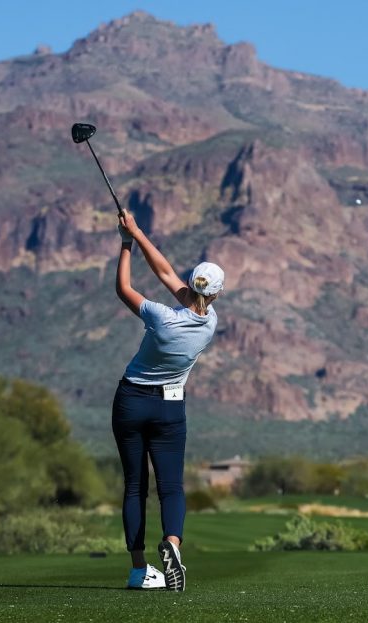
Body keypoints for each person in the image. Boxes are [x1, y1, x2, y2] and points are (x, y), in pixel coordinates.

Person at [112, 211, 223, 592]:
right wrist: (139, 233)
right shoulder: (209, 324)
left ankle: (139, 569)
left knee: (134, 486)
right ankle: (173, 544)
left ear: (191, 285)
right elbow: (166, 274)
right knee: (171, 486)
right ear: (215, 294)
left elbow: (126, 287)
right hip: (170, 409)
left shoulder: (160, 318)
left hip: (130, 401)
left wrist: (127, 241)